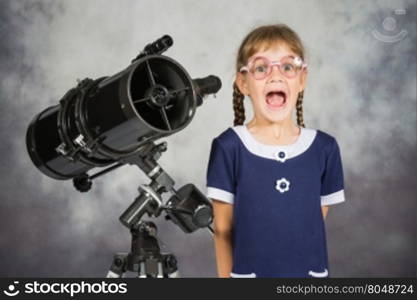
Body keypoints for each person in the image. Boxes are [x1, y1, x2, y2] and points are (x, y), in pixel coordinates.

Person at [206, 24, 345, 278]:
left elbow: (311, 225)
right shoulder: (228, 147)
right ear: (243, 83)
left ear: (302, 78)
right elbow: (223, 231)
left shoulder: (325, 149)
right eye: (261, 68)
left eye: (287, 66)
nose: (275, 76)